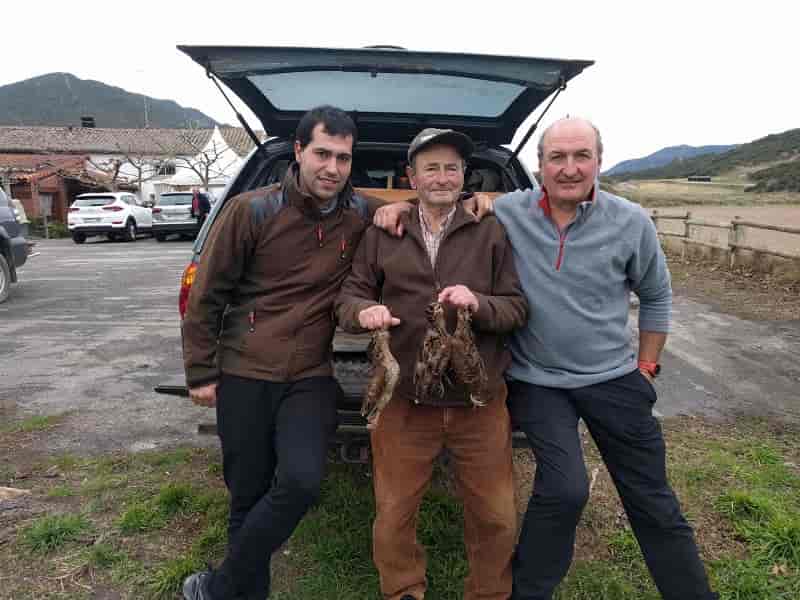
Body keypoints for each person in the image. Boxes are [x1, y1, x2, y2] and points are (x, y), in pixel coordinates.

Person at [180, 108, 491, 600]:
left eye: (343, 158)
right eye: (322, 153)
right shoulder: (250, 210)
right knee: (247, 493)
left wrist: (455, 202)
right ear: (299, 150)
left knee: (301, 482)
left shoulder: (361, 213)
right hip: (244, 368)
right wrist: (201, 371)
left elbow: (434, 202)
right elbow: (207, 296)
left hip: (309, 372)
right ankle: (238, 593)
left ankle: (218, 585)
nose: (332, 167)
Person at [492, 117, 718, 600]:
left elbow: (657, 295)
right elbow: (449, 205)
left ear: (598, 160)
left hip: (615, 378)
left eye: (581, 156)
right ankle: (527, 592)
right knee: (564, 490)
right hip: (538, 380)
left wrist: (646, 367)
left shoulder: (630, 221)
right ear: (540, 165)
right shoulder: (509, 211)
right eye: (557, 157)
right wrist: (392, 212)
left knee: (653, 501)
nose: (569, 168)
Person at [335, 128, 528, 600]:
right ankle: (403, 589)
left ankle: (488, 592)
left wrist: (479, 304)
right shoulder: (383, 232)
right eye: (431, 168)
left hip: (478, 400)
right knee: (395, 510)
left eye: (452, 168)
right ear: (411, 177)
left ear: (464, 176)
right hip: (404, 400)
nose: (442, 177)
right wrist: (364, 311)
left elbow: (517, 308)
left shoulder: (493, 230)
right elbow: (350, 295)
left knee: (497, 514)